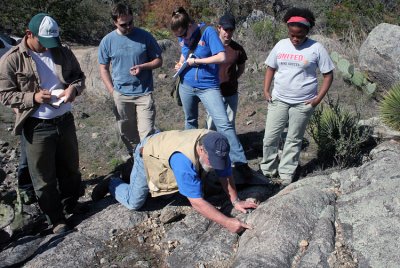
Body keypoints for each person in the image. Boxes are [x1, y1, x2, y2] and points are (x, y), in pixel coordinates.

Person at [0, 13, 86, 233]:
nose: (48, 47)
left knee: (70, 168)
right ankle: (56, 219)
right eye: (43, 42)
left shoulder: (62, 51)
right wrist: (33, 98)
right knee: (43, 178)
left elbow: (79, 77)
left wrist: (73, 89)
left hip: (65, 120)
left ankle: (71, 205)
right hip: (37, 125)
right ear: (29, 34)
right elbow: (4, 94)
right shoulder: (12, 59)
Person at [92, 129, 258, 233]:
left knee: (187, 187)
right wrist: (227, 221)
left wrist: (235, 201)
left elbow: (225, 173)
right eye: (211, 161)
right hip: (148, 153)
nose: (215, 166)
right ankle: (112, 183)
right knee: (135, 202)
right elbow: (196, 202)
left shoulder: (216, 144)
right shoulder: (183, 161)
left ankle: (129, 174)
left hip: (166, 145)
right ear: (201, 150)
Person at [171, 7, 252, 178]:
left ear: (191, 25)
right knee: (190, 121)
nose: (183, 38)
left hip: (208, 85)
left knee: (223, 123)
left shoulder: (207, 32)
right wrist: (180, 63)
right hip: (187, 84)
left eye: (184, 34)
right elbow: (184, 53)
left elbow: (221, 57)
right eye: (179, 36)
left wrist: (197, 61)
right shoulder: (182, 36)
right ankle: (191, 161)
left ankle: (241, 163)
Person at [260, 8, 334, 186]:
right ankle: (267, 171)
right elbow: (271, 67)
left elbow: (328, 75)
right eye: (292, 34)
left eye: (299, 35)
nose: (295, 38)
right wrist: (266, 90)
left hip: (303, 103)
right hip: (278, 99)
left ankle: (286, 174)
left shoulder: (316, 48)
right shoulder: (280, 45)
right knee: (270, 137)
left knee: (293, 139)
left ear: (307, 31)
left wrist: (317, 99)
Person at [99, 3, 163, 155]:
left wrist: (143, 66)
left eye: (130, 22)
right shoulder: (107, 41)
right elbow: (103, 68)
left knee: (146, 134)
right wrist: (112, 91)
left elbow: (158, 60)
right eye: (123, 25)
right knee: (127, 133)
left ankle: (147, 162)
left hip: (144, 93)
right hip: (121, 95)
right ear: (115, 22)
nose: (128, 27)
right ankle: (135, 160)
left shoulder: (145, 36)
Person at [206, 13, 247, 132]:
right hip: (213, 92)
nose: (228, 33)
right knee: (211, 124)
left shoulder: (238, 49)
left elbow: (241, 68)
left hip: (231, 92)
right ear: (219, 28)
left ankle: (228, 148)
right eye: (225, 29)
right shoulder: (209, 47)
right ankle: (210, 148)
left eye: (231, 30)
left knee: (229, 123)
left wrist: (233, 78)